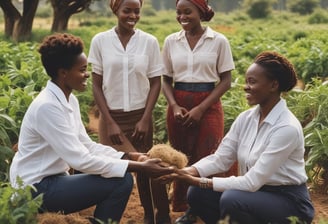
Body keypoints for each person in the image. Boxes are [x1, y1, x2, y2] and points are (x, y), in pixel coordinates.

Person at [9, 33, 174, 224]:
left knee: (115, 174)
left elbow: (86, 145)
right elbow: (80, 160)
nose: (87, 74)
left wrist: (129, 156)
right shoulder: (47, 107)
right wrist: (139, 167)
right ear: (63, 73)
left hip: (53, 181)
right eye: (82, 70)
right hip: (36, 189)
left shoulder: (69, 100)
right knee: (121, 181)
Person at [159, 51, 315, 224]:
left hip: (288, 201)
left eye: (252, 82)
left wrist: (198, 180)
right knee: (197, 193)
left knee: (232, 199)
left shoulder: (286, 128)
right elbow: (221, 159)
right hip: (254, 194)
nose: (245, 87)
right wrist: (186, 172)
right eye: (246, 81)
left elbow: (251, 182)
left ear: (273, 85)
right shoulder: (246, 118)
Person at [87, 0, 170, 223]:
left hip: (139, 117)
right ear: (116, 10)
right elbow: (96, 84)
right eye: (127, 10)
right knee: (111, 168)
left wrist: (145, 118)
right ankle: (105, 217)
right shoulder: (100, 41)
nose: (132, 15)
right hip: (110, 118)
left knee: (149, 170)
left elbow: (155, 82)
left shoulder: (149, 42)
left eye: (136, 11)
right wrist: (109, 121)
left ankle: (157, 216)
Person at [161, 0, 238, 220]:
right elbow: (165, 79)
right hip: (179, 103)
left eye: (188, 12)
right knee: (182, 156)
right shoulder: (171, 41)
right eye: (179, 12)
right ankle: (187, 208)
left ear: (201, 12)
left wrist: (201, 108)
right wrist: (174, 105)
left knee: (209, 155)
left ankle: (202, 206)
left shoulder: (218, 41)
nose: (182, 17)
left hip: (209, 103)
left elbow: (226, 80)